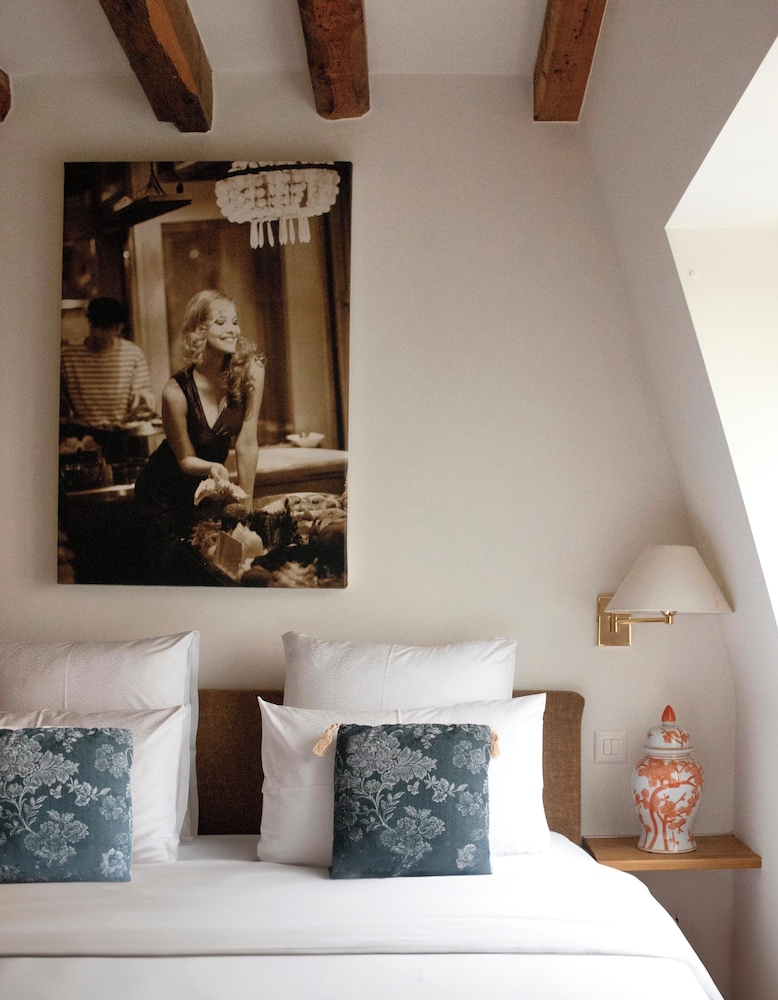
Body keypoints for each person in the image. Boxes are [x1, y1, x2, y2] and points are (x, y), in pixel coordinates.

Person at [132, 290, 265, 583]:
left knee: (218, 571)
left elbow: (246, 443)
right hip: (162, 498)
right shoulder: (175, 391)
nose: (232, 329)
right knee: (176, 577)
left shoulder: (251, 372)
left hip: (205, 495)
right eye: (221, 322)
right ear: (199, 330)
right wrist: (212, 467)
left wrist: (246, 509)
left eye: (235, 321)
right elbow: (185, 459)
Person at [60, 297, 156, 429]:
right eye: (94, 325)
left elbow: (142, 395)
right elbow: (59, 401)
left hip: (122, 431)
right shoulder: (68, 356)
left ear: (118, 328)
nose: (97, 332)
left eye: (104, 327)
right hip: (82, 432)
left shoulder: (133, 354)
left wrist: (142, 403)